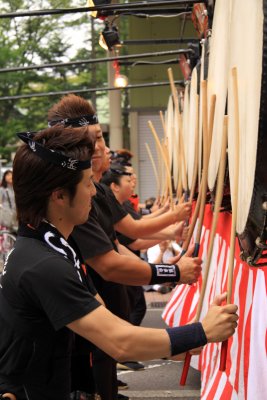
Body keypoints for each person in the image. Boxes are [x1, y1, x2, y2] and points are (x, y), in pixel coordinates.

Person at [0, 124, 239, 400]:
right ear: (59, 195)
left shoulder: (55, 247)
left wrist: (181, 341)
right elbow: (120, 342)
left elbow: (112, 326)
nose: (94, 192)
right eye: (88, 183)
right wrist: (202, 332)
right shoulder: (43, 265)